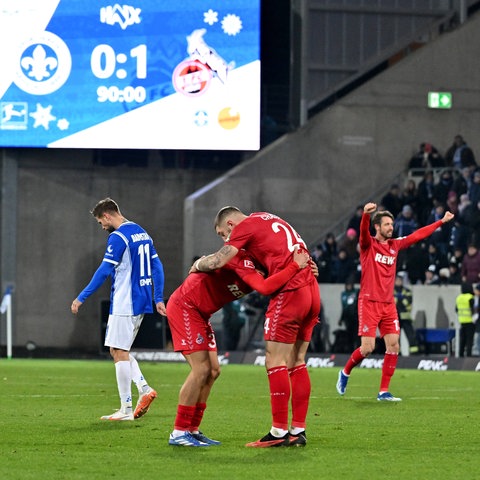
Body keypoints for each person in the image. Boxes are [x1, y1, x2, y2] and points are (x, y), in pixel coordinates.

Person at [190, 206, 320, 447]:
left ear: (230, 224)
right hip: (311, 289)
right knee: (297, 360)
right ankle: (298, 430)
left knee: (274, 360)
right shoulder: (266, 218)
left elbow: (220, 259)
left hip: (290, 291)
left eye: (222, 234)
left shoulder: (244, 227)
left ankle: (279, 432)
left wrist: (198, 264)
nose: (225, 238)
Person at [168, 247, 312, 447]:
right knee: (201, 370)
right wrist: (199, 264)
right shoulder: (240, 259)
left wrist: (306, 269)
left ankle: (192, 429)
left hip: (202, 313)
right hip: (186, 306)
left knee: (213, 371)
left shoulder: (264, 267)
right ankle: (178, 431)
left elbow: (278, 279)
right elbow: (260, 285)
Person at [336, 202, 454, 401]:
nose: (391, 227)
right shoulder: (368, 246)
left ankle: (383, 392)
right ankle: (345, 372)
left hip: (388, 305)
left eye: (392, 224)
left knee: (394, 346)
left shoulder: (395, 245)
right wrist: (365, 215)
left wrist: (440, 222)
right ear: (377, 227)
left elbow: (417, 235)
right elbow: (363, 232)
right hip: (369, 302)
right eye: (387, 224)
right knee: (367, 348)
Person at [71, 198, 166, 421]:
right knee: (117, 349)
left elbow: (104, 270)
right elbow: (157, 266)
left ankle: (126, 409)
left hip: (126, 301)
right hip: (141, 300)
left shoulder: (118, 237)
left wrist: (81, 297)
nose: (102, 227)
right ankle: (144, 389)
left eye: (100, 222)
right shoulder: (141, 232)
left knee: (119, 352)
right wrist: (158, 297)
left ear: (107, 216)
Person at [393, 275, 418, 354]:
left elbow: (407, 302)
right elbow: (392, 303)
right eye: (397, 280)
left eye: (400, 280)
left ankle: (414, 354)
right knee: (396, 338)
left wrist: (399, 299)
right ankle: (398, 355)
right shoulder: (391, 291)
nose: (398, 282)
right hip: (395, 318)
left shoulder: (407, 291)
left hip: (406, 318)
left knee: (411, 337)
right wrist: (401, 299)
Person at [338, 279, 360, 352]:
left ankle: (357, 350)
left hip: (356, 317)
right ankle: (350, 350)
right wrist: (341, 319)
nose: (349, 286)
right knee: (349, 335)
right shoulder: (344, 294)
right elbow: (344, 308)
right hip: (348, 317)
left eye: (350, 285)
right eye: (347, 285)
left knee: (357, 335)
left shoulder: (356, 292)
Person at [455, 282, 475, 357]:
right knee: (469, 340)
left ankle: (461, 356)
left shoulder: (459, 298)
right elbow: (473, 309)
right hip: (470, 321)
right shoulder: (470, 297)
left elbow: (456, 309)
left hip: (462, 321)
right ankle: (469, 356)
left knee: (462, 340)